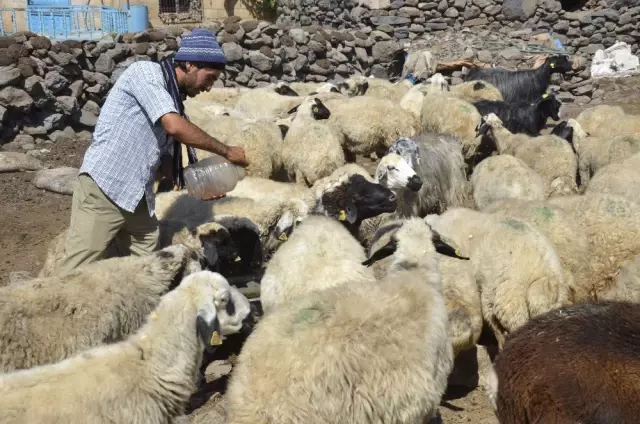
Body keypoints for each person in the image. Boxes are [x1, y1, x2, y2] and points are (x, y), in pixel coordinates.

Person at [56, 28, 249, 275]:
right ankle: (51, 311)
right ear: (190, 64)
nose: (209, 87)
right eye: (209, 78)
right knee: (77, 269)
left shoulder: (173, 99)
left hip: (138, 197)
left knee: (148, 269)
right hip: (106, 187)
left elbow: (166, 162)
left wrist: (197, 182)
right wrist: (227, 151)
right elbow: (174, 126)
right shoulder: (146, 74)